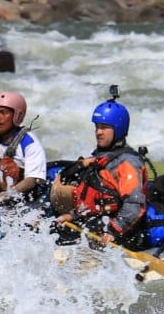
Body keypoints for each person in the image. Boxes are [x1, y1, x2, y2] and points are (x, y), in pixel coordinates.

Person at [52, 98, 148, 247]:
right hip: (96, 225)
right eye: (97, 127)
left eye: (104, 127)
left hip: (120, 234)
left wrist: (113, 231)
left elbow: (134, 204)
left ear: (118, 129)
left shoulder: (128, 163)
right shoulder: (100, 158)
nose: (98, 132)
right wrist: (72, 215)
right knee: (54, 230)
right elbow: (94, 201)